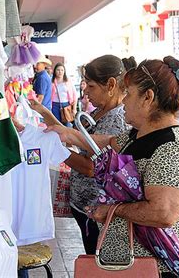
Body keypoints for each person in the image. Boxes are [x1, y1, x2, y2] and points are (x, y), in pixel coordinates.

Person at [46, 56, 179, 277]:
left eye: (129, 93)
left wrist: (112, 210)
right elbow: (109, 141)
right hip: (129, 266)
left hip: (156, 269)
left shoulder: (171, 147)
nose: (124, 100)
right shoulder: (140, 133)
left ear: (148, 98)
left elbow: (164, 213)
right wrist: (68, 134)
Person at [30, 55, 130, 254]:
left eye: (91, 86)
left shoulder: (115, 120)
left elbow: (91, 167)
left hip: (98, 210)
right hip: (86, 206)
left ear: (110, 85)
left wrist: (55, 150)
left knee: (97, 259)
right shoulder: (99, 112)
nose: (85, 91)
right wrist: (44, 113)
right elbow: (72, 136)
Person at [51, 63, 77, 127]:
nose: (60, 72)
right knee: (57, 125)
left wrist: (74, 109)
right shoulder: (51, 81)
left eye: (62, 70)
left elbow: (75, 95)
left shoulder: (68, 81)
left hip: (66, 105)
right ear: (55, 71)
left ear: (64, 71)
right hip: (54, 105)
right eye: (58, 70)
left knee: (67, 125)